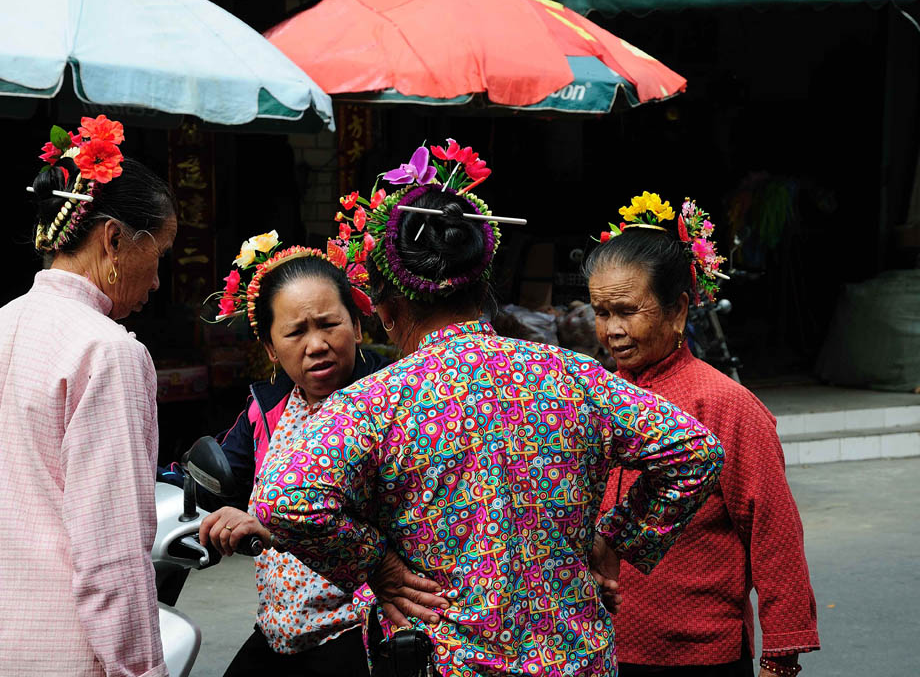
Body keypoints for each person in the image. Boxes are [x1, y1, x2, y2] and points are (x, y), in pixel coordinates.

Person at [251, 142, 726, 677]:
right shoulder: (578, 378)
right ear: (484, 291)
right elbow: (697, 451)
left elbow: (282, 502)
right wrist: (614, 540)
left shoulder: (373, 403)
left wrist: (376, 564)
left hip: (445, 662)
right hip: (574, 663)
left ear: (384, 312)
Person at [0, 116, 176, 677]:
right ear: (114, 240)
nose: (156, 281)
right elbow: (112, 557)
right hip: (52, 656)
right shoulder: (107, 352)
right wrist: (142, 671)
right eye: (160, 255)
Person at [586, 195, 819, 677]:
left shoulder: (723, 403)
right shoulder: (591, 394)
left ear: (678, 312)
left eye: (627, 311)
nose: (613, 330)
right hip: (594, 643)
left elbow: (772, 530)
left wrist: (781, 652)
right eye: (601, 312)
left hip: (695, 651)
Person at [186, 236, 397, 677]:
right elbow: (228, 470)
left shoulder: (392, 400)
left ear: (357, 326)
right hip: (278, 631)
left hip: (358, 634)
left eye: (328, 324)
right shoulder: (269, 408)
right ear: (270, 349)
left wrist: (275, 524)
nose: (316, 344)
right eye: (296, 332)